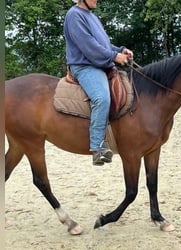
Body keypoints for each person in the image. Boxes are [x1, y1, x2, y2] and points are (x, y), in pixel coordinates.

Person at [64, 0, 133, 166]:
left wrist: (119, 50)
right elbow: (89, 46)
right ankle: (98, 147)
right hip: (85, 66)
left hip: (98, 64)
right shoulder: (74, 15)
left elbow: (104, 44)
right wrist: (115, 57)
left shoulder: (91, 16)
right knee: (102, 98)